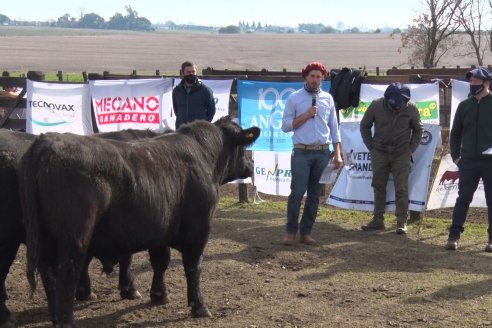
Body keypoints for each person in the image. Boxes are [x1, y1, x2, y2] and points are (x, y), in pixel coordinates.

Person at [281, 61, 343, 245]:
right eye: (312, 76)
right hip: (302, 152)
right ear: (306, 77)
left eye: (318, 77)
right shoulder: (294, 98)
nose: (315, 80)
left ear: (323, 79)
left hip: (323, 153)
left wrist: (337, 153)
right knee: (297, 193)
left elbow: (334, 127)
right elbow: (285, 126)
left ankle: (306, 232)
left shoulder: (328, 98)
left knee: (315, 195)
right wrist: (306, 115)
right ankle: (290, 231)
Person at [359, 82, 423, 234]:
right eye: (394, 105)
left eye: (401, 105)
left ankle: (401, 222)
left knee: (402, 187)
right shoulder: (376, 106)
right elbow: (364, 125)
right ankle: (377, 219)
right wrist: (372, 147)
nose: (398, 108)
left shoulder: (411, 108)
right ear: (387, 99)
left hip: (401, 153)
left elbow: (419, 129)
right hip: (379, 152)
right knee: (378, 185)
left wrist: (410, 149)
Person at [445, 67, 492, 251]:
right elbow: (455, 133)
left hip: (490, 162)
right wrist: (456, 156)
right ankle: (454, 237)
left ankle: (490, 240)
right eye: (471, 82)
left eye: (476, 82)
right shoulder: (464, 106)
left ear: (486, 83)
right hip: (468, 161)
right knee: (463, 199)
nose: (472, 85)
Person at [172, 61, 216, 129]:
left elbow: (211, 110)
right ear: (183, 73)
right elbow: (176, 110)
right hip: (180, 130)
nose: (191, 74)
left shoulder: (205, 90)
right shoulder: (177, 91)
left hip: (199, 131)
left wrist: (204, 125)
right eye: (188, 72)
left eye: (193, 72)